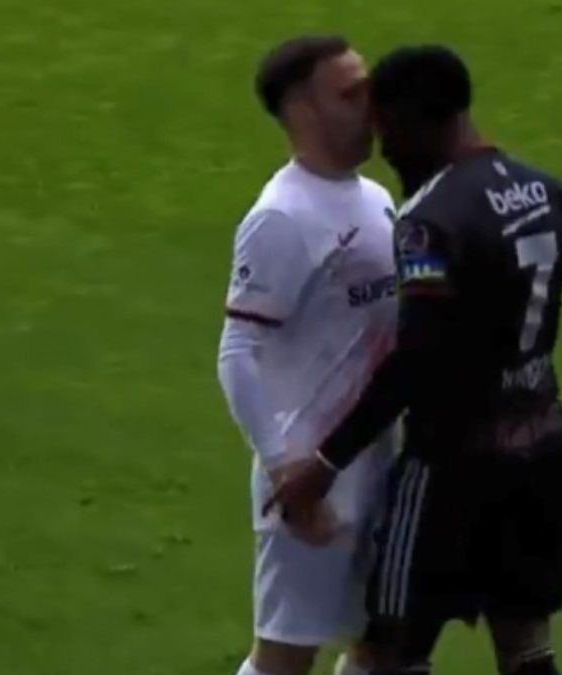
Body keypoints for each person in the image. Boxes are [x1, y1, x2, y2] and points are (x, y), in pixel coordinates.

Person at [265, 44, 562, 675]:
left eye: (386, 131)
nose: (383, 149)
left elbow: (416, 359)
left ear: (413, 123)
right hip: (541, 456)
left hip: (450, 469)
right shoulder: (551, 193)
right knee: (525, 644)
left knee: (390, 649)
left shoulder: (430, 221)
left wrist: (326, 462)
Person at [217, 35, 398, 675]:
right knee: (285, 658)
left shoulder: (376, 198)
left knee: (385, 645)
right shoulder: (282, 216)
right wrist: (282, 467)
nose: (371, 106)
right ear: (302, 109)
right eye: (350, 94)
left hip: (377, 461)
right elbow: (237, 351)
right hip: (311, 478)